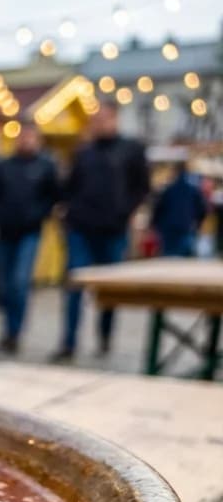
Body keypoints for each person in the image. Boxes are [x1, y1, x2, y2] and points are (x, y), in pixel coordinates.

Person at [54, 104, 149, 361]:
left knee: (109, 289)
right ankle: (69, 342)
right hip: (80, 228)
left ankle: (105, 336)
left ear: (115, 119)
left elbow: (141, 187)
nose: (99, 123)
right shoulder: (84, 152)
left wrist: (124, 212)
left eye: (104, 118)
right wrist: (69, 212)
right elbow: (69, 187)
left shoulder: (131, 149)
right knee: (74, 284)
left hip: (113, 229)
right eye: (96, 119)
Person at [0, 123, 59, 353]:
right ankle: (8, 331)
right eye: (23, 136)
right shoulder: (4, 165)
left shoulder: (46, 166)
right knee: (5, 284)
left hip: (29, 232)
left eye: (30, 137)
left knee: (19, 281)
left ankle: (15, 332)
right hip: (5, 231)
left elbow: (53, 196)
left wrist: (39, 215)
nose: (26, 140)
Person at [151, 162, 207, 257]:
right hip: (186, 226)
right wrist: (198, 223)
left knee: (169, 256)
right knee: (184, 258)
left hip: (169, 228)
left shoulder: (168, 190)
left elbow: (158, 208)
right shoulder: (192, 190)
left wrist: (154, 224)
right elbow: (202, 209)